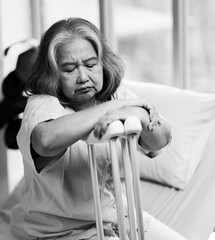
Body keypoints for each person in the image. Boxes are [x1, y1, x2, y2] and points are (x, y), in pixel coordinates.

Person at [10, 17, 186, 240]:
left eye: (91, 65)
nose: (83, 77)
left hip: (119, 219)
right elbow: (45, 141)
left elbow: (161, 138)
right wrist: (117, 107)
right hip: (57, 232)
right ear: (53, 73)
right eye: (69, 69)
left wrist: (140, 115)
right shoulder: (43, 104)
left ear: (103, 63)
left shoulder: (117, 94)